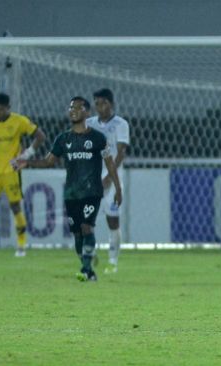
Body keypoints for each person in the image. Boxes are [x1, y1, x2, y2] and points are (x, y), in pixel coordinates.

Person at [15, 96, 122, 282]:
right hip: (72, 193)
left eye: (78, 108)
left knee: (86, 227)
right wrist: (28, 162)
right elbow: (48, 162)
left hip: (92, 192)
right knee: (78, 236)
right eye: (71, 107)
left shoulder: (98, 138)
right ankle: (88, 267)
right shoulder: (63, 139)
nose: (73, 110)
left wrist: (118, 188)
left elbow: (110, 163)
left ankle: (86, 268)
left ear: (87, 112)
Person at [0, 93, 46, 257]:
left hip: (11, 171)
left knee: (15, 207)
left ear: (8, 108)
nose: (0, 113)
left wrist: (28, 153)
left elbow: (40, 136)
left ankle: (21, 247)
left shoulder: (19, 121)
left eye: (3, 109)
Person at [85, 88, 130, 274]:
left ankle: (113, 261)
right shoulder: (89, 123)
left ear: (110, 104)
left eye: (103, 103)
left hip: (113, 176)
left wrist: (109, 178)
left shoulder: (121, 124)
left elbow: (120, 153)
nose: (99, 107)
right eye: (96, 103)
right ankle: (90, 252)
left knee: (112, 219)